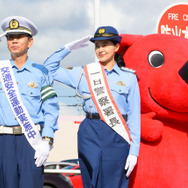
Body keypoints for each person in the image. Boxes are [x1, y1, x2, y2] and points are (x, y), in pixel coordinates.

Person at [44, 26, 140, 188]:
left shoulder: (128, 77)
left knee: (114, 181)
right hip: (89, 130)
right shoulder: (83, 73)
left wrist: (134, 151)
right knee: (90, 180)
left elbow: (134, 116)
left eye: (105, 45)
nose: (101, 50)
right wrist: (67, 48)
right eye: (97, 46)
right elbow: (48, 69)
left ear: (116, 47)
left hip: (116, 133)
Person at [0, 16, 59, 188]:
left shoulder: (41, 72)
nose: (14, 41)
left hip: (31, 141)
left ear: (30, 42)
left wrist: (47, 140)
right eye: (10, 37)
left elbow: (51, 108)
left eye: (19, 37)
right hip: (4, 141)